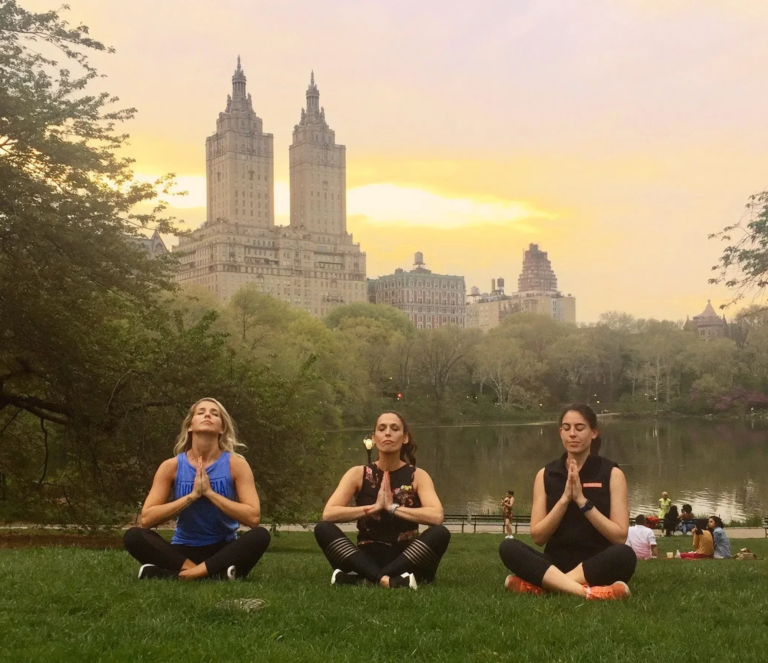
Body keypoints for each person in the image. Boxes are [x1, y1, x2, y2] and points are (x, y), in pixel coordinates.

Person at [499, 404, 636, 601]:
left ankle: (547, 586)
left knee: (625, 554)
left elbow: (619, 537)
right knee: (508, 548)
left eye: (579, 428)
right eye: (566, 428)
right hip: (554, 563)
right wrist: (564, 499)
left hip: (596, 562)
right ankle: (589, 592)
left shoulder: (612, 474)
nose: (572, 434)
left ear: (593, 433)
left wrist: (582, 501)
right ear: (560, 433)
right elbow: (538, 537)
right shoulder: (546, 474)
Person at [123, 398, 270, 580]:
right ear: (190, 426)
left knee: (260, 535)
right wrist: (192, 496)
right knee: (133, 536)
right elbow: (146, 519)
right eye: (201, 412)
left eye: (214, 414)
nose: (207, 415)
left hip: (223, 549)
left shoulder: (236, 465)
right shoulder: (171, 466)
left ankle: (179, 576)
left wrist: (209, 493)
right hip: (183, 551)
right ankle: (210, 574)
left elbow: (253, 517)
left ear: (221, 428)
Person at [314, 411, 450, 590]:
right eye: (382, 428)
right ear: (374, 438)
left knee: (440, 533)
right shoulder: (358, 473)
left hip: (408, 558)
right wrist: (375, 507)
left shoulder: (418, 475)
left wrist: (392, 507)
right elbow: (329, 513)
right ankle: (388, 581)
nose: (387, 433)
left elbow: (436, 516)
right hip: (366, 557)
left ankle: (365, 579)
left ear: (405, 438)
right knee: (323, 528)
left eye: (394, 429)